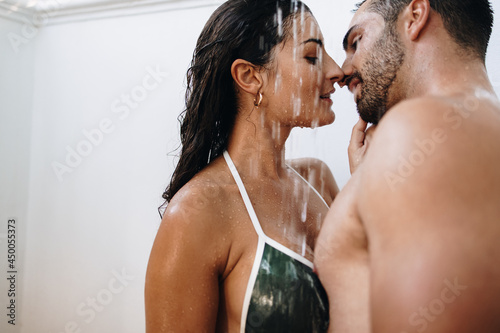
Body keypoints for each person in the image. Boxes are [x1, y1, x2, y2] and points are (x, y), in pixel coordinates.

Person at [145, 0, 345, 332]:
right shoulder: (197, 213)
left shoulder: (318, 179)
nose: (336, 71)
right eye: (312, 57)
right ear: (250, 76)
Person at [315, 0, 500, 332]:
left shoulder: (420, 129)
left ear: (415, 16)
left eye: (356, 42)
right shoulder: (476, 127)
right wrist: (372, 181)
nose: (343, 72)